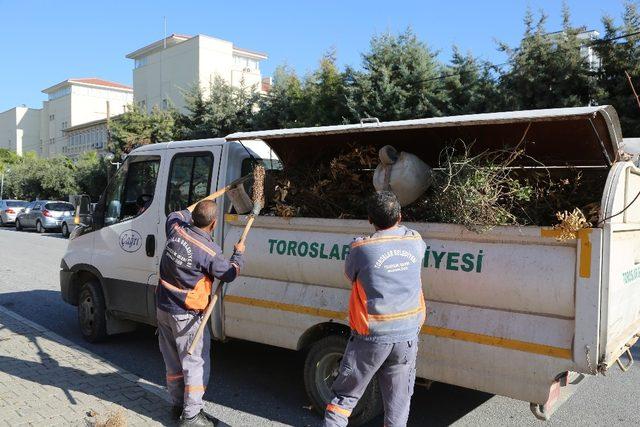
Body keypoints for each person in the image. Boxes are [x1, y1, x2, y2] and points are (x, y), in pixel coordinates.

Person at [323, 191, 427, 427]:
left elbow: (350, 275)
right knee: (398, 406)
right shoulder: (415, 241)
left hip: (372, 337)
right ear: (400, 216)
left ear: (369, 219)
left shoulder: (361, 248)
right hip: (407, 336)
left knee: (344, 399)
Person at [156, 200, 244, 426]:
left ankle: (177, 405)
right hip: (187, 316)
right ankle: (192, 415)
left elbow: (175, 213)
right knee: (195, 363)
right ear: (213, 224)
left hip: (163, 307)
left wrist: (190, 209)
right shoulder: (209, 251)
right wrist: (238, 255)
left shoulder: (174, 228)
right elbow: (230, 274)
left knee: (173, 362)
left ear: (192, 217)